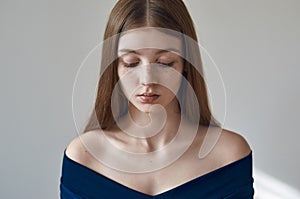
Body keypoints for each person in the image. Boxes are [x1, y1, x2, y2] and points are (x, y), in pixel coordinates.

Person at [60, 0, 254, 198]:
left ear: (185, 64)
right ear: (114, 67)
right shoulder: (84, 157)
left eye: (165, 63)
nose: (147, 80)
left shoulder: (228, 155)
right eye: (131, 63)